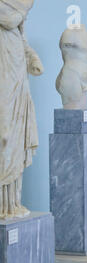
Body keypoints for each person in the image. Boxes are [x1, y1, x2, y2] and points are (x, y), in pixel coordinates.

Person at [0, 0, 43, 219]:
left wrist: (32, 57)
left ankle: (12, 203)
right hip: (3, 74)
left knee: (15, 139)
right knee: (4, 136)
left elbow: (20, 36)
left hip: (17, 74)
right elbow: (9, 19)